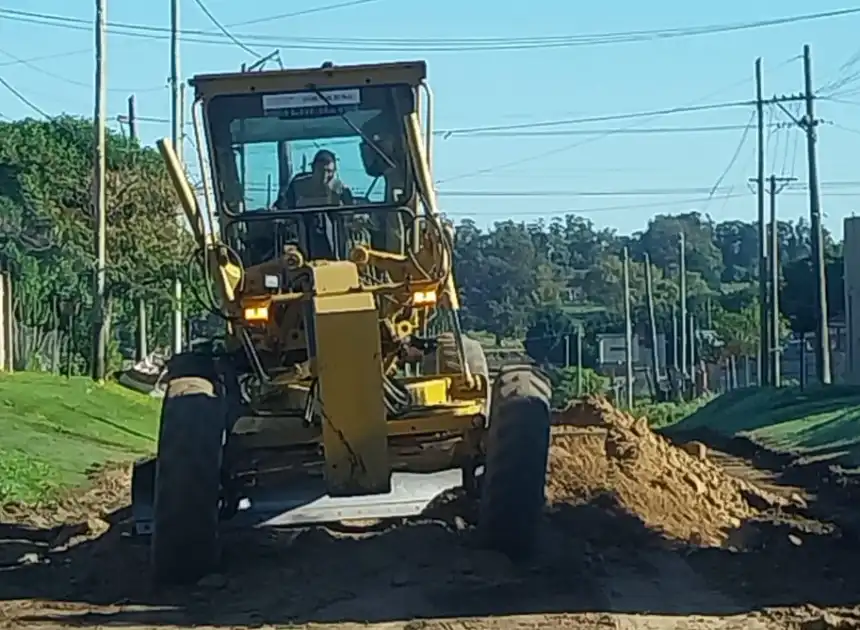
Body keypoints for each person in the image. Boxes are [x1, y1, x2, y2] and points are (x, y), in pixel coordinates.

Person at [275, 149, 353, 210]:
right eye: (320, 170)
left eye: (329, 171)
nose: (324, 176)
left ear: (334, 171)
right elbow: (282, 208)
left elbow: (351, 214)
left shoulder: (341, 190)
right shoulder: (297, 187)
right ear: (313, 168)